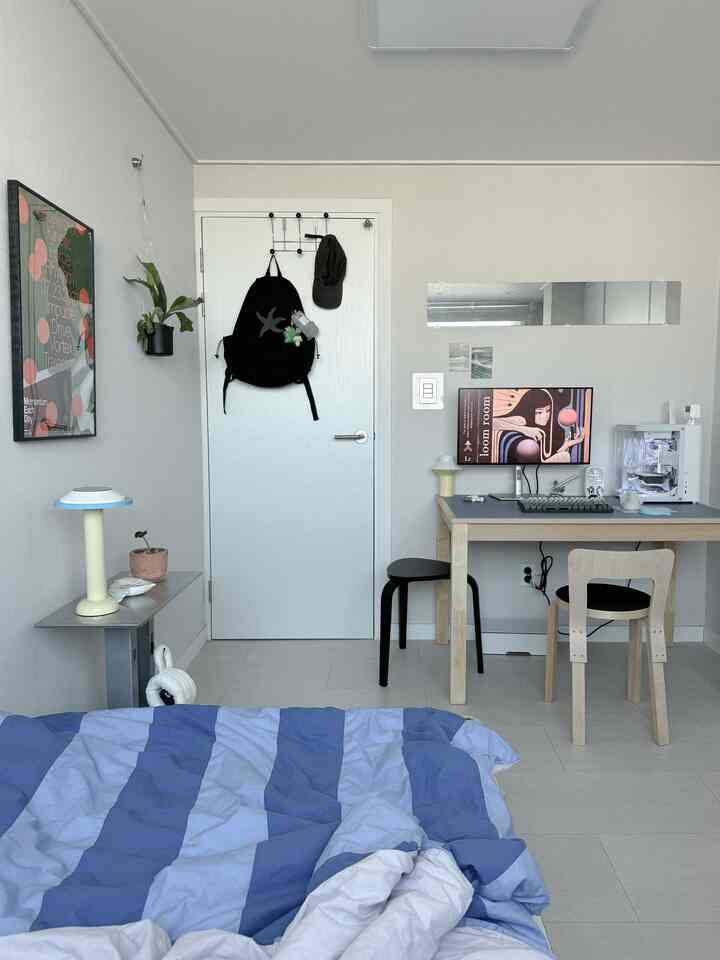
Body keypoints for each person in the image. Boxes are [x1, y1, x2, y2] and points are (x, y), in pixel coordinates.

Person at [492, 388, 585, 463]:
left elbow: (551, 457)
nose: (545, 416)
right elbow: (492, 422)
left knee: (564, 456)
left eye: (548, 410)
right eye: (539, 412)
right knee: (565, 456)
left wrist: (570, 443)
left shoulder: (554, 429)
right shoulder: (523, 419)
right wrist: (523, 429)